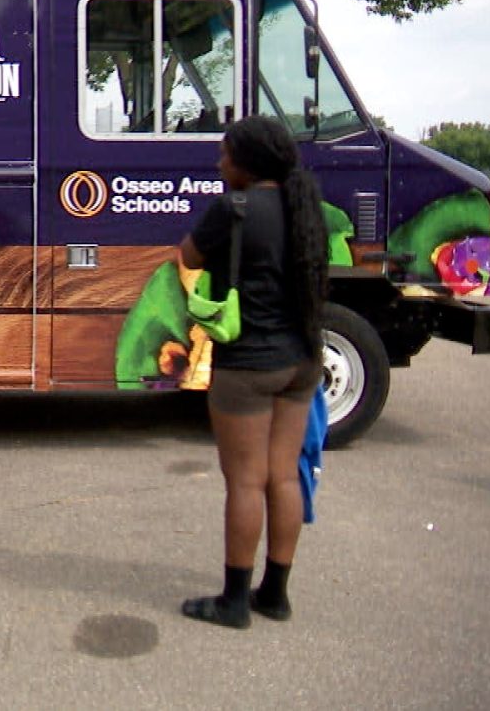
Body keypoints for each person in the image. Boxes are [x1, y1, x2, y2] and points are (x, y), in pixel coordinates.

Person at [177, 116, 328, 629]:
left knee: (244, 482)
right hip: (302, 360)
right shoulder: (304, 205)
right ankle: (276, 595)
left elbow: (189, 255)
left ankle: (235, 601)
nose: (220, 163)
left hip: (247, 366)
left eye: (226, 155)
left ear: (246, 163)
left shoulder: (233, 208)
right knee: (283, 476)